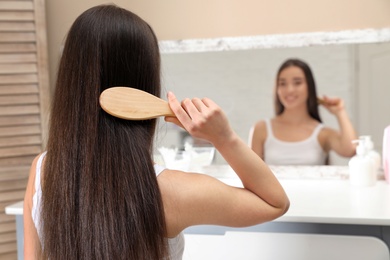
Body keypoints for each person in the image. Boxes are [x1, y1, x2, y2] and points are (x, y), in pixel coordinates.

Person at [23, 4, 289, 259]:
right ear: (146, 80)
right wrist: (224, 137)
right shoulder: (168, 191)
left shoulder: (43, 170)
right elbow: (274, 203)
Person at [249, 58, 357, 165]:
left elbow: (351, 149)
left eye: (297, 82)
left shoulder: (322, 133)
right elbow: (250, 174)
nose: (289, 90)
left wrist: (340, 112)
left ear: (309, 87)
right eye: (282, 84)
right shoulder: (261, 129)